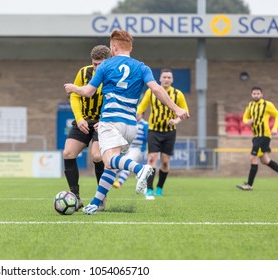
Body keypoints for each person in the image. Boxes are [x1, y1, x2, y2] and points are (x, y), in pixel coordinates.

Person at [64, 30, 189, 214]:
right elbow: (156, 89)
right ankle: (96, 203)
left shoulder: (106, 66)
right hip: (131, 126)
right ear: (131, 47)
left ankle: (140, 169)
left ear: (113, 47)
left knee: (108, 159)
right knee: (110, 165)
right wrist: (176, 109)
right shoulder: (142, 67)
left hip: (110, 121)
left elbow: (88, 91)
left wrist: (73, 87)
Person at [63, 45, 111, 210]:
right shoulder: (83, 72)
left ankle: (101, 197)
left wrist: (105, 120)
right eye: (95, 64)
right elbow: (75, 95)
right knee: (68, 153)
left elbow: (115, 100)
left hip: (103, 122)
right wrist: (80, 118)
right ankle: (75, 197)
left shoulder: (113, 76)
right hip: (84, 121)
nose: (97, 68)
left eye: (101, 64)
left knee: (97, 156)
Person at [136, 68, 189, 200]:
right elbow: (141, 107)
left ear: (172, 80)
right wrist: (136, 115)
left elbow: (185, 113)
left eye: (169, 77)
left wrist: (175, 120)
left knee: (165, 162)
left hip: (169, 133)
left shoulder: (178, 94)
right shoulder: (151, 92)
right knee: (152, 158)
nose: (166, 79)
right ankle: (149, 189)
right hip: (153, 130)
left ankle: (159, 187)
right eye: (164, 77)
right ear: (160, 79)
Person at [236, 86, 278, 191]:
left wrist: (275, 128)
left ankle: (249, 184)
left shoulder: (267, 104)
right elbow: (244, 117)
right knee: (265, 160)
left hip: (264, 135)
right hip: (256, 136)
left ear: (262, 94)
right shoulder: (250, 105)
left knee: (253, 158)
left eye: (258, 93)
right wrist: (246, 121)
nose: (256, 95)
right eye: (254, 93)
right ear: (251, 95)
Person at [112, 118, 149, 189]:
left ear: (142, 114)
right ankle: (141, 174)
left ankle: (119, 183)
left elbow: (148, 137)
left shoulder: (144, 124)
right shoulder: (132, 123)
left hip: (138, 149)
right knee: (121, 164)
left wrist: (138, 137)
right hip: (129, 148)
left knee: (128, 162)